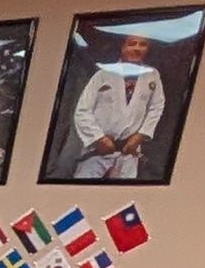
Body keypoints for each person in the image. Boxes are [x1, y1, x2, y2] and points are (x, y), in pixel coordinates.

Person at [66, 32, 166, 178]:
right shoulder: (103, 74)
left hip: (129, 150)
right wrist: (99, 138)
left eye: (142, 44)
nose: (137, 48)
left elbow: (156, 107)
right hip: (99, 149)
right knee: (82, 190)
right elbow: (82, 110)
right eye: (132, 44)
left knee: (121, 195)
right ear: (123, 47)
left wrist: (140, 135)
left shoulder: (152, 75)